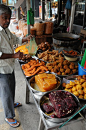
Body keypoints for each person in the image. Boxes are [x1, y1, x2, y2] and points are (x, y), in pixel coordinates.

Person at [0, 4, 33, 128]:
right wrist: (14, 56)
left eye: (9, 18)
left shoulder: (5, 29)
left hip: (9, 65)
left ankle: (11, 103)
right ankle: (9, 116)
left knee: (11, 85)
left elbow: (13, 38)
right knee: (6, 91)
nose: (7, 21)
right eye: (4, 18)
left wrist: (25, 39)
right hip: (2, 68)